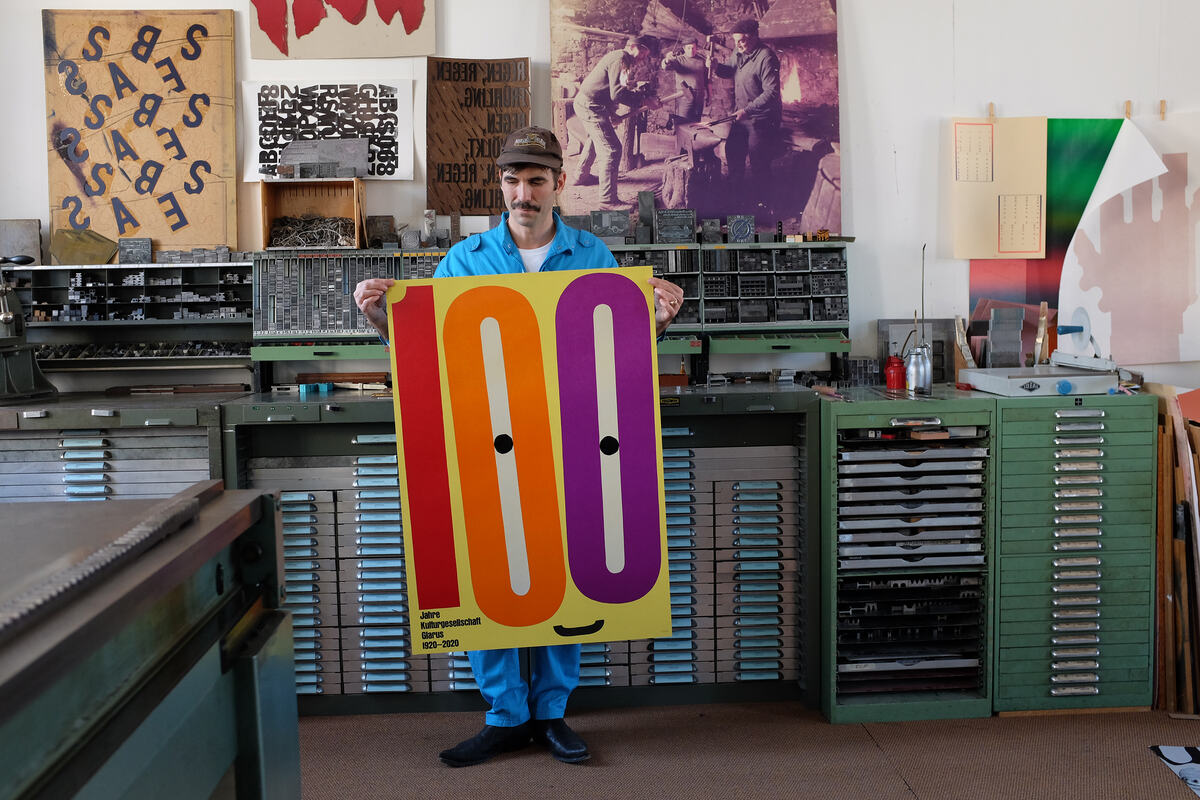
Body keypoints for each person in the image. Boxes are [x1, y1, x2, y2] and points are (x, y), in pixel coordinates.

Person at [353, 125, 684, 768]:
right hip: (489, 445)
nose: (522, 193)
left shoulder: (594, 259)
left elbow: (615, 361)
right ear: (500, 184)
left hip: (572, 444)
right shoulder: (465, 260)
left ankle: (552, 715)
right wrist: (380, 321)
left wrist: (656, 325)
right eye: (512, 180)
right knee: (493, 574)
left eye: (536, 180)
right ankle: (506, 715)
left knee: (564, 573)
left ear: (560, 183)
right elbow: (435, 360)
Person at [572, 35, 661, 210]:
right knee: (612, 149)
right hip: (590, 105)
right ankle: (607, 201)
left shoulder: (623, 60)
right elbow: (617, 94)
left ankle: (581, 176)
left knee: (596, 139)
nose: (644, 57)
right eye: (644, 52)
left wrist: (611, 113)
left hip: (592, 103)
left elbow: (608, 89)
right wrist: (644, 100)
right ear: (634, 47)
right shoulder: (621, 59)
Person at [706, 19, 782, 190]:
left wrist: (748, 110)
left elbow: (772, 92)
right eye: (735, 40)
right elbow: (730, 70)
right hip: (742, 115)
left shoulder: (767, 57)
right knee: (733, 152)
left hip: (762, 118)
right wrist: (717, 67)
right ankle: (736, 191)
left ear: (754, 36)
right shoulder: (739, 52)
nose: (737, 45)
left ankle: (764, 202)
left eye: (741, 40)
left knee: (759, 162)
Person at [660, 39, 708, 127]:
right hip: (684, 96)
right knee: (683, 124)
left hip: (699, 97)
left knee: (696, 123)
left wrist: (709, 94)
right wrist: (667, 60)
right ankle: (682, 140)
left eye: (693, 48)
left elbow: (706, 79)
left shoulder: (702, 60)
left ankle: (694, 141)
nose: (691, 50)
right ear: (684, 48)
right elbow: (666, 66)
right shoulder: (678, 60)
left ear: (696, 48)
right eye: (689, 48)